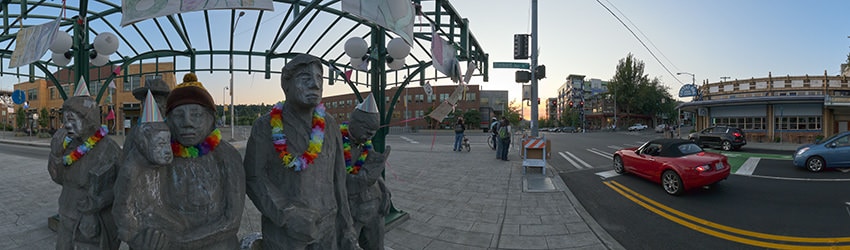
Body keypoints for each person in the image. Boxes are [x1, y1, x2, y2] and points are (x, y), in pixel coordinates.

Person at [243, 54, 358, 249]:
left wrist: (347, 228)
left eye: (319, 78)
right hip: (285, 234)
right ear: (285, 85)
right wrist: (287, 214)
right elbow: (254, 177)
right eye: (305, 78)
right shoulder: (265, 126)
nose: (315, 84)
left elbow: (339, 180)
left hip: (328, 230)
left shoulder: (329, 124)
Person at [48, 86, 121, 250]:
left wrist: (100, 201)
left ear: (89, 119)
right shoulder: (67, 146)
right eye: (65, 119)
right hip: (67, 213)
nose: (66, 125)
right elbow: (57, 178)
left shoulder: (110, 148)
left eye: (72, 119)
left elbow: (123, 185)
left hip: (96, 220)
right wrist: (55, 155)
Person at [341, 94, 392, 250]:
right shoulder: (336, 140)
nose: (370, 136)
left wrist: (385, 191)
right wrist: (363, 179)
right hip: (351, 210)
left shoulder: (367, 143)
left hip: (374, 206)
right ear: (354, 122)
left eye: (374, 132)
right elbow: (334, 178)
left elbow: (376, 173)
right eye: (368, 130)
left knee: (376, 245)